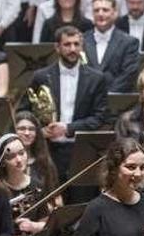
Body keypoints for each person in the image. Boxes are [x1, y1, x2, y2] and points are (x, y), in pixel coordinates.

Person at [25, 26, 108, 182]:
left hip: (82, 150)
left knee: (79, 201)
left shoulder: (97, 78)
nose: (72, 49)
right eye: (67, 44)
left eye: (76, 44)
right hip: (48, 150)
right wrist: (39, 130)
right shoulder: (40, 76)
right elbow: (25, 111)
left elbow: (100, 118)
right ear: (57, 47)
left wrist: (68, 128)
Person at [83, 0, 142, 93]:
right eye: (96, 10)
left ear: (115, 13)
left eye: (105, 10)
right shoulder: (81, 41)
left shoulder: (130, 43)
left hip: (117, 103)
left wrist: (106, 97)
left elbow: (127, 76)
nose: (100, 14)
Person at [13, 111, 59, 195]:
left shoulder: (46, 163)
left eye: (31, 129)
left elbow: (54, 195)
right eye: (22, 129)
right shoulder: (6, 162)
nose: (27, 133)